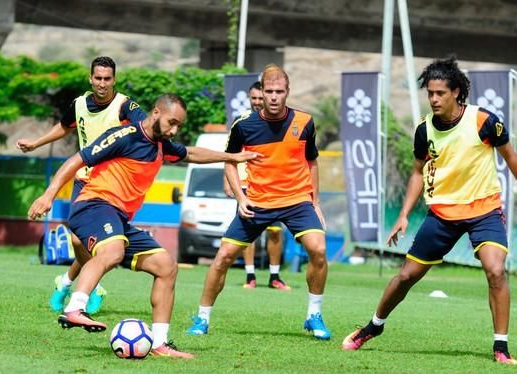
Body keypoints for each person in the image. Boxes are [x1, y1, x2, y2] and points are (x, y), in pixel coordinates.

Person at [28, 93, 259, 359]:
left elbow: (192, 153)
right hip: (93, 205)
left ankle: (159, 344)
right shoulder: (124, 135)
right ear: (157, 113)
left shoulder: (162, 146)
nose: (174, 130)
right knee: (112, 252)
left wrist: (233, 156)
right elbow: (77, 160)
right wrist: (49, 195)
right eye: (172, 122)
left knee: (166, 267)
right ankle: (74, 308)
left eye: (179, 127)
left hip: (118, 218)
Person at [342, 57, 517, 365]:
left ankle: (500, 347)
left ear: (457, 93)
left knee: (495, 270)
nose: (434, 99)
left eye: (440, 93)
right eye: (430, 94)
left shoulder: (484, 121)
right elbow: (416, 172)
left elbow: (510, 158)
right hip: (442, 214)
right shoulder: (424, 129)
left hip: (484, 209)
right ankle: (372, 327)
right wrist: (404, 214)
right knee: (407, 276)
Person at [188, 65, 331, 340]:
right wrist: (241, 197)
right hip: (257, 202)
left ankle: (314, 315)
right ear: (261, 94)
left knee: (319, 250)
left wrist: (315, 202)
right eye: (269, 92)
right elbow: (229, 161)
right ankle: (202, 318)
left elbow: (312, 161)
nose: (274, 97)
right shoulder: (244, 126)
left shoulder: (305, 122)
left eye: (280, 92)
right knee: (223, 257)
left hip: (297, 200)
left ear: (287, 92)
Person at [17, 56, 146, 315]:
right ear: (90, 78)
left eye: (107, 79)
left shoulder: (125, 106)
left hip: (112, 183)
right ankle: (78, 284)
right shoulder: (78, 104)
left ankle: (71, 283)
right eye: (97, 78)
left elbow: (145, 127)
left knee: (88, 241)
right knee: (79, 240)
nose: (102, 83)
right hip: (85, 178)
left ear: (114, 80)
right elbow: (64, 127)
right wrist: (36, 143)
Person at [224, 81, 290, 291]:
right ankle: (250, 274)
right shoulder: (242, 123)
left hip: (273, 187)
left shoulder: (280, 123)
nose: (257, 102)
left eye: (260, 98)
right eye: (254, 98)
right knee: (249, 232)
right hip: (246, 185)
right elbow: (229, 156)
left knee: (274, 232)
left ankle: (274, 276)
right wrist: (228, 181)